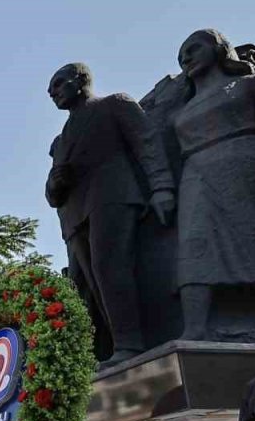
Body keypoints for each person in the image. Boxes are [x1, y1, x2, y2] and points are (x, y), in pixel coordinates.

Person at [45, 61, 175, 365]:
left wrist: (162, 188)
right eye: (50, 90)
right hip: (75, 216)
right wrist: (55, 183)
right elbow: (52, 194)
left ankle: (131, 343)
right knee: (89, 285)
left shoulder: (114, 104)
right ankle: (117, 346)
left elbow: (148, 145)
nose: (52, 93)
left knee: (110, 267)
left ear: (80, 80)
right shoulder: (61, 140)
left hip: (113, 196)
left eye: (58, 84)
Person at [170, 30, 255, 340]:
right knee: (194, 247)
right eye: (181, 56)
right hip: (197, 175)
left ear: (220, 49)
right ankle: (195, 329)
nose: (186, 58)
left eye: (193, 49)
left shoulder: (253, 85)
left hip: (250, 168)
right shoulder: (182, 108)